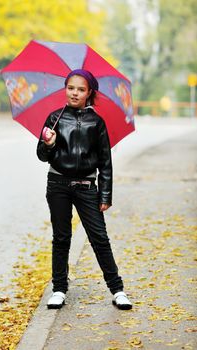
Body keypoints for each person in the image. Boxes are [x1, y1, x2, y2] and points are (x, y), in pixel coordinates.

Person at [37, 69, 132, 310]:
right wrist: (48, 144)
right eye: (71, 88)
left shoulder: (96, 122)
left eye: (81, 89)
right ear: (65, 89)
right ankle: (59, 288)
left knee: (99, 237)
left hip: (87, 187)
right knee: (61, 237)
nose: (75, 93)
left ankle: (117, 289)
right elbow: (41, 155)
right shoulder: (54, 118)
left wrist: (105, 193)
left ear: (89, 93)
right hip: (58, 184)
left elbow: (105, 162)